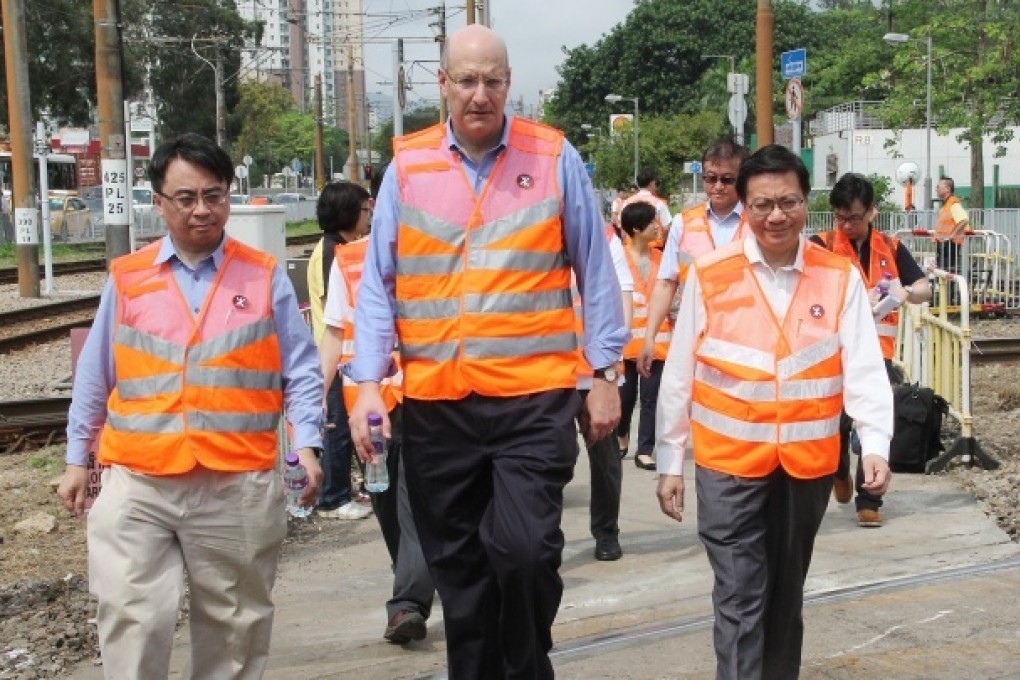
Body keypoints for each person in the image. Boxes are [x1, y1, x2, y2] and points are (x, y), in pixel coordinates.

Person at [345, 23, 627, 679]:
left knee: (527, 553)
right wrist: (365, 386)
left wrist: (604, 373)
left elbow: (595, 269)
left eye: (492, 81)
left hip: (533, 401)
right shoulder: (409, 167)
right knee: (462, 573)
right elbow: (378, 287)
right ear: (442, 83)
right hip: (437, 405)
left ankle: (527, 666)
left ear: (509, 84)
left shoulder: (552, 157)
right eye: (467, 80)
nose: (480, 94)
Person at [56, 133, 324, 679]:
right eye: (186, 198)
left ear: (228, 195)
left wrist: (307, 445)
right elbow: (95, 374)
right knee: (132, 617)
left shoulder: (263, 275)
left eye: (214, 195)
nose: (202, 209)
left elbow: (300, 370)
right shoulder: (128, 279)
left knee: (234, 629)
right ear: (159, 202)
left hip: (235, 481)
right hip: (140, 480)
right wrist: (76, 458)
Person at [654, 145, 894, 679]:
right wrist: (669, 458)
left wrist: (875, 444)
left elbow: (863, 368)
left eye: (788, 202)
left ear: (807, 203)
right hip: (728, 465)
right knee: (740, 597)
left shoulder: (838, 277)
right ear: (745, 207)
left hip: (806, 468)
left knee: (785, 600)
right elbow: (680, 373)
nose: (776, 216)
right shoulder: (711, 276)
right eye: (762, 205)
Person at [319, 175, 437, 644]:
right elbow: (333, 334)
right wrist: (314, 401)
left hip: (428, 399)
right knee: (387, 505)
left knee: (419, 503)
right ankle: (412, 580)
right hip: (370, 408)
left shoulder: (439, 254)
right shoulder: (348, 261)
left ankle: (407, 603)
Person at [812, 172, 932, 528]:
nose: (847, 225)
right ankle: (838, 471)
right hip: (832, 352)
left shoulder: (891, 248)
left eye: (854, 217)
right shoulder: (820, 245)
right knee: (835, 423)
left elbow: (924, 287)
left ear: (871, 212)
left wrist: (905, 293)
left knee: (875, 421)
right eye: (840, 217)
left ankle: (870, 499)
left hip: (879, 352)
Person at [636, 140, 748, 379]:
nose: (718, 186)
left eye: (727, 179)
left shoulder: (757, 223)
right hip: (691, 338)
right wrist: (649, 338)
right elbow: (666, 283)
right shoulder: (683, 223)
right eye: (711, 178)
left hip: (743, 340)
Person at [309, 181, 373, 520]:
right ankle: (333, 498)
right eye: (364, 210)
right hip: (335, 355)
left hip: (342, 353)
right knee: (337, 427)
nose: (368, 217)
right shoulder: (334, 252)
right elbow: (336, 310)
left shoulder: (339, 247)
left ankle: (347, 489)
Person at [572, 223, 633, 562]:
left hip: (595, 371)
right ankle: (542, 537)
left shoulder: (605, 237)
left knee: (605, 458)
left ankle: (606, 532)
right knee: (550, 457)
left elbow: (621, 297)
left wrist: (610, 367)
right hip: (548, 370)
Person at [617, 201, 672, 470]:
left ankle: (645, 450)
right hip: (625, 344)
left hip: (657, 343)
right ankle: (621, 434)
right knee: (626, 398)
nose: (657, 226)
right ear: (637, 229)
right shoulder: (618, 258)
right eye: (652, 222)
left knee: (651, 399)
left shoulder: (663, 258)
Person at [622, 168, 672, 240]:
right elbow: (667, 227)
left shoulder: (626, 202)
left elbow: (623, 228)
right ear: (652, 183)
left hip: (631, 244)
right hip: (654, 244)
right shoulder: (659, 203)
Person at [934, 176, 969, 273]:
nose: (936, 189)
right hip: (944, 244)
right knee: (943, 272)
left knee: (947, 272)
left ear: (947, 189)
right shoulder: (947, 205)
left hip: (949, 245)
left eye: (938, 187)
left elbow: (964, 220)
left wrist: (952, 235)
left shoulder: (953, 204)